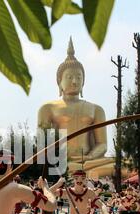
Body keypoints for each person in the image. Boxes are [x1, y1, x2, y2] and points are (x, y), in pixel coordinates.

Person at [37, 37, 111, 173]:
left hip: (90, 161)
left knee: (126, 165)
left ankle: (83, 170)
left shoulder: (96, 109)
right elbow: (43, 145)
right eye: (69, 77)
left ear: (84, 81)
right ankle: (78, 171)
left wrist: (89, 157)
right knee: (64, 168)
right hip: (61, 162)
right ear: (59, 81)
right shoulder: (48, 108)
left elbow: (102, 144)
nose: (75, 81)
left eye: (79, 77)